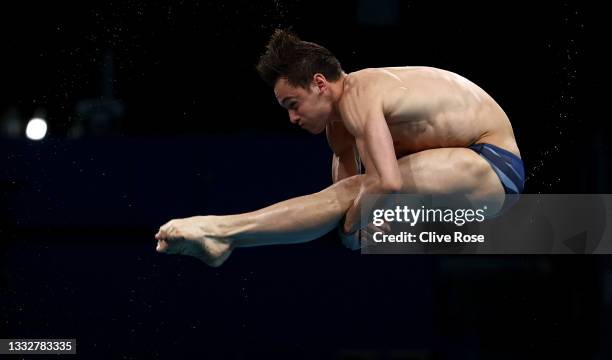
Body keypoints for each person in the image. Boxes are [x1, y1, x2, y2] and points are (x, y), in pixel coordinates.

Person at [155, 29, 524, 266]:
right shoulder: (339, 127)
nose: (292, 119)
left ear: (320, 83)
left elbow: (385, 185)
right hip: (456, 173)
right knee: (355, 195)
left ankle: (224, 231)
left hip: (493, 166)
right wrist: (357, 227)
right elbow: (342, 199)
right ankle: (225, 235)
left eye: (293, 104)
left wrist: (352, 229)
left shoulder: (360, 94)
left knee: (367, 190)